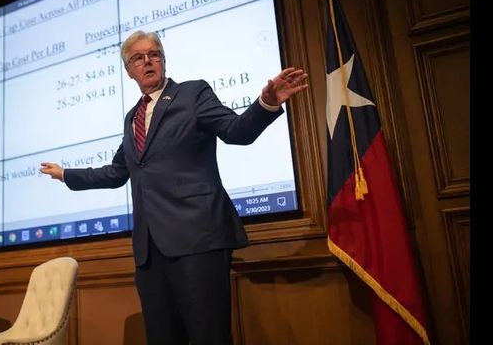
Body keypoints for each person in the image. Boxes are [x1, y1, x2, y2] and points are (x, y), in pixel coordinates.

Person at [40, 30, 308, 345]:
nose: (147, 61)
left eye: (154, 54)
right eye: (138, 58)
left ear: (164, 61)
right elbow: (117, 172)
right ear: (129, 70)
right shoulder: (132, 118)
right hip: (150, 250)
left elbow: (236, 131)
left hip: (198, 237)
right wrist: (66, 174)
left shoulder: (192, 94)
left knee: (209, 335)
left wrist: (266, 104)